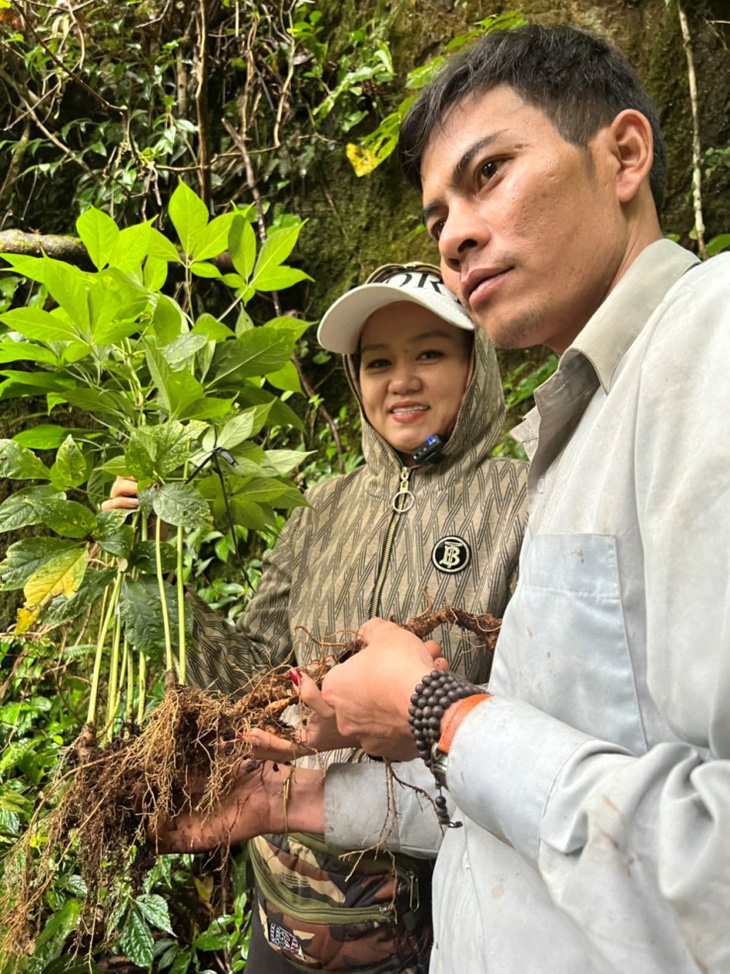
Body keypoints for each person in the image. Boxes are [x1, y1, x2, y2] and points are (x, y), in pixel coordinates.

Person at [312, 23, 730, 974]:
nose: (456, 233)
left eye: (489, 172)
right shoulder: (576, 427)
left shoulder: (709, 347)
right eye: (436, 217)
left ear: (624, 154)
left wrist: (435, 712)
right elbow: (529, 788)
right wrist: (300, 800)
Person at [113, 263, 528, 973]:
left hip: (441, 911)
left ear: (476, 362)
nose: (401, 380)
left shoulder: (522, 500)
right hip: (284, 900)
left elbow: (521, 734)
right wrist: (159, 581)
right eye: (377, 361)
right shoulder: (321, 507)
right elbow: (253, 674)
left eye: (430, 352)